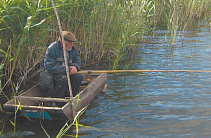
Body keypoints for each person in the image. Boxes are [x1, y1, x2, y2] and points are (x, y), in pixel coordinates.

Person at [40, 31, 83, 106]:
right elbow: (50, 67)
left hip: (66, 73)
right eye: (69, 42)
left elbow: (77, 60)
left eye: (72, 42)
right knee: (63, 79)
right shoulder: (52, 49)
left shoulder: (72, 49)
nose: (72, 44)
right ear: (62, 41)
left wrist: (75, 67)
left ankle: (70, 97)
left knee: (78, 77)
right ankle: (57, 102)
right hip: (52, 75)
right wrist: (67, 69)